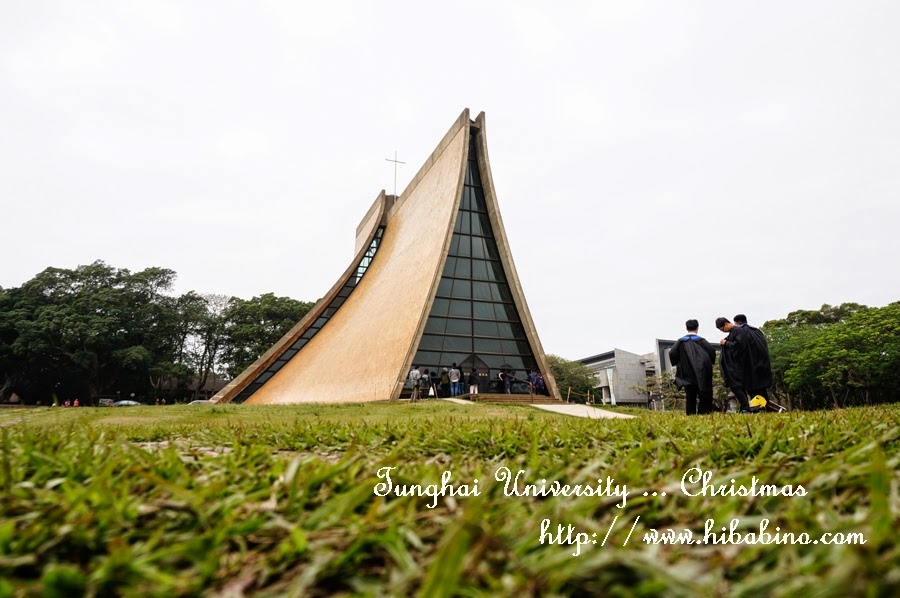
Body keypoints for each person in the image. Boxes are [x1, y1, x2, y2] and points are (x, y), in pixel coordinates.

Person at [668, 319, 717, 415]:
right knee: (704, 394)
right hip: (702, 373)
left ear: (686, 328)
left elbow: (672, 353)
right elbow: (712, 351)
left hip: (687, 373)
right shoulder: (702, 341)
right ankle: (704, 413)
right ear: (697, 328)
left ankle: (690, 415)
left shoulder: (681, 342)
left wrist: (678, 362)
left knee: (690, 396)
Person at [716, 317, 753, 413]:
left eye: (722, 329)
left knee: (735, 386)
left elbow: (739, 346)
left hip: (737, 366)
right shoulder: (732, 333)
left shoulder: (738, 331)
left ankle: (745, 407)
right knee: (739, 387)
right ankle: (745, 407)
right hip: (734, 366)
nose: (723, 331)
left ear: (726, 324)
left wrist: (726, 343)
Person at [733, 314, 773, 401]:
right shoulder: (757, 331)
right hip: (763, 364)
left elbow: (739, 348)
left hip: (751, 366)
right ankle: (767, 407)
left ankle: (760, 408)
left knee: (753, 391)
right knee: (762, 390)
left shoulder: (741, 332)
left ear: (736, 323)